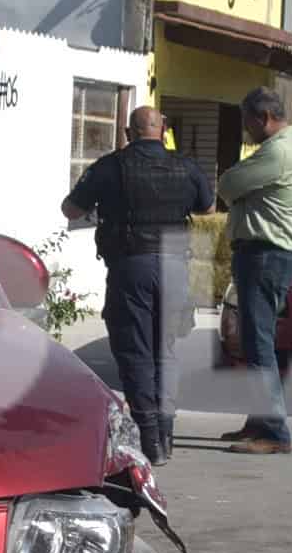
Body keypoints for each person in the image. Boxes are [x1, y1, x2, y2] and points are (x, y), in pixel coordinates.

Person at [63, 106, 212, 463]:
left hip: (132, 266)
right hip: (175, 265)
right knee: (166, 350)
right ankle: (167, 431)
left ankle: (151, 440)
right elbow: (206, 207)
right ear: (162, 130)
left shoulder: (110, 166)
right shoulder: (187, 166)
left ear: (129, 133)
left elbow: (70, 209)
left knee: (136, 351)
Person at [215, 85, 292, 455]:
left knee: (259, 343)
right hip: (263, 253)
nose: (245, 130)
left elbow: (228, 184)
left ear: (264, 118)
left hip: (266, 254)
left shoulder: (279, 152)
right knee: (256, 340)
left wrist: (238, 187)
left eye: (247, 122)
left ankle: (273, 430)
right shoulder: (281, 149)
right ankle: (259, 421)